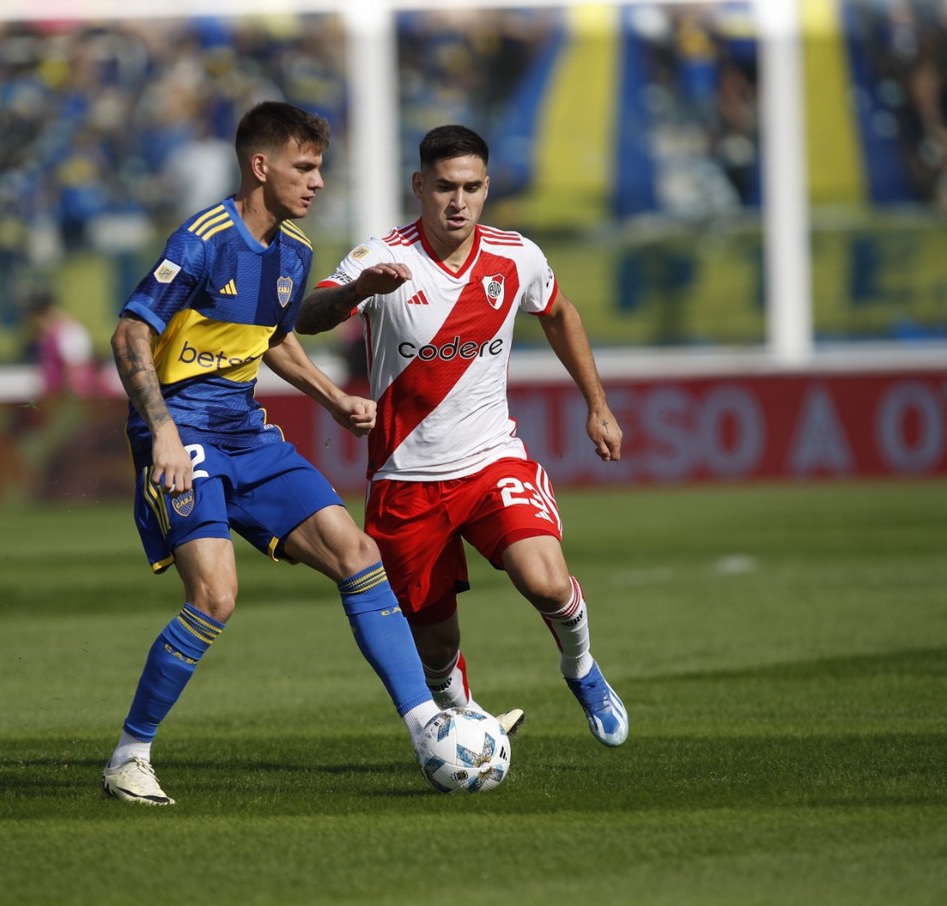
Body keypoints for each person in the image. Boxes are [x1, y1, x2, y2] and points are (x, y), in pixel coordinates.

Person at [103, 101, 458, 806]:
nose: (318, 181)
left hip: (245, 428)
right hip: (183, 429)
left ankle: (429, 732)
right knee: (216, 596)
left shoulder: (293, 253)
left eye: (320, 166)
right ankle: (129, 756)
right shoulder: (202, 238)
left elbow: (270, 339)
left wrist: (330, 397)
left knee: (357, 554)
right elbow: (128, 335)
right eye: (305, 166)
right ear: (261, 167)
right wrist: (166, 434)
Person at [295, 124, 629, 748]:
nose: (459, 202)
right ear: (419, 186)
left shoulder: (515, 255)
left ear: (486, 188)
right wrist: (359, 293)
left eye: (472, 188)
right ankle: (468, 730)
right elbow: (309, 316)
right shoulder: (381, 257)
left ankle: (582, 668)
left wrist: (598, 405)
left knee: (547, 581)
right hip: (404, 481)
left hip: (489, 461)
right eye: (445, 187)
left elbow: (558, 312)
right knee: (438, 648)